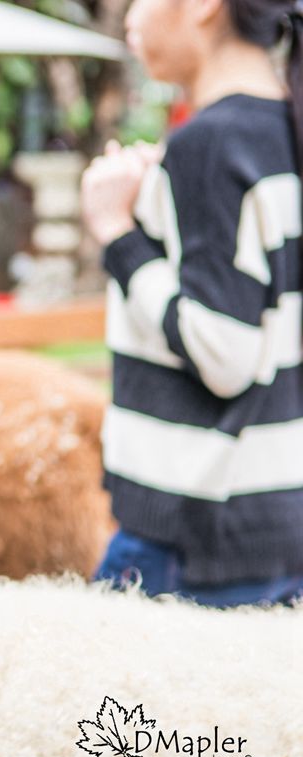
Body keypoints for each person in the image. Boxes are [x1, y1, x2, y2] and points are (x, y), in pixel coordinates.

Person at [81, 0, 303, 606]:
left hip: (195, 534)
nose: (131, 17)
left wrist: (117, 233)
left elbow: (223, 348)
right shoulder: (280, 127)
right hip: (271, 515)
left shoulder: (211, 143)